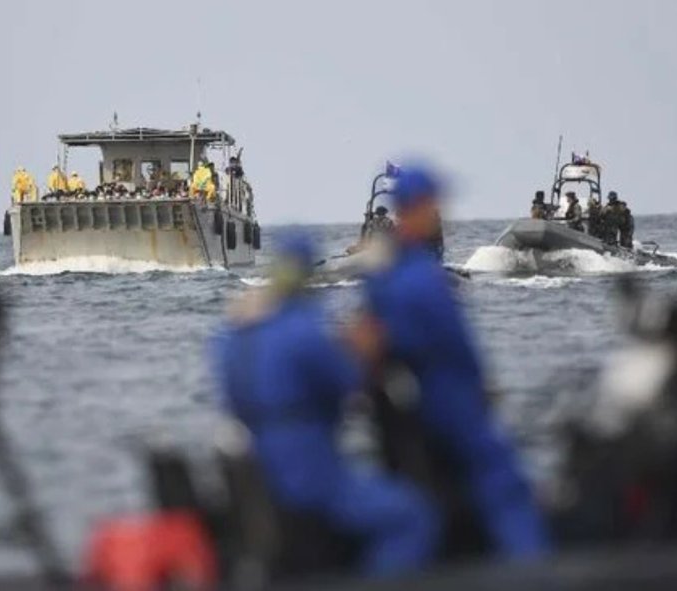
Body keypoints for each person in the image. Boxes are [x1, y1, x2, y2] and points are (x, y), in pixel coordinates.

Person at [348, 165, 550, 563]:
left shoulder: (387, 276)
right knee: (507, 490)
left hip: (423, 410)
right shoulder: (418, 280)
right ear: (419, 206)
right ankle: (536, 571)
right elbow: (451, 349)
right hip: (451, 406)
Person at [213, 232, 438, 577]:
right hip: (308, 469)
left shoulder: (232, 338)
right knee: (411, 517)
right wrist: (359, 348)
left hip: (262, 462)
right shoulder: (303, 331)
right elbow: (346, 382)